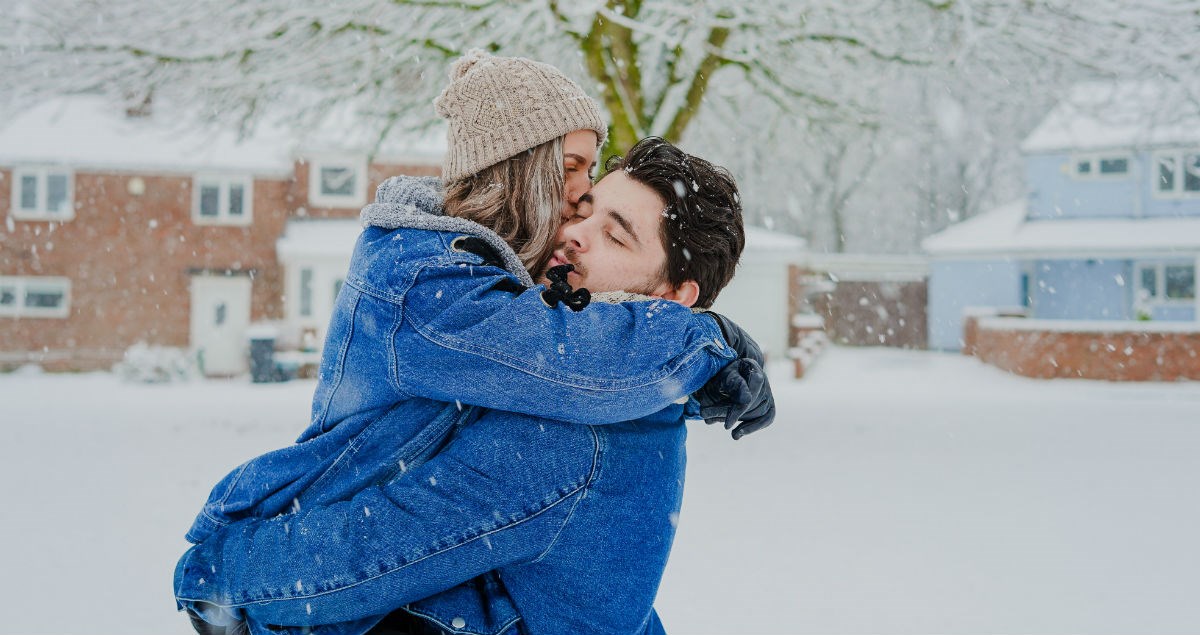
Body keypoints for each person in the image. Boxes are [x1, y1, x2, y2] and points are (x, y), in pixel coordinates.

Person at [175, 51, 772, 634]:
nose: (573, 231)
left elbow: (380, 545)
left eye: (615, 238)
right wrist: (711, 344)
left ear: (675, 298)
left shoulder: (576, 425)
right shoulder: (455, 298)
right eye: (580, 197)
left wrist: (223, 578)